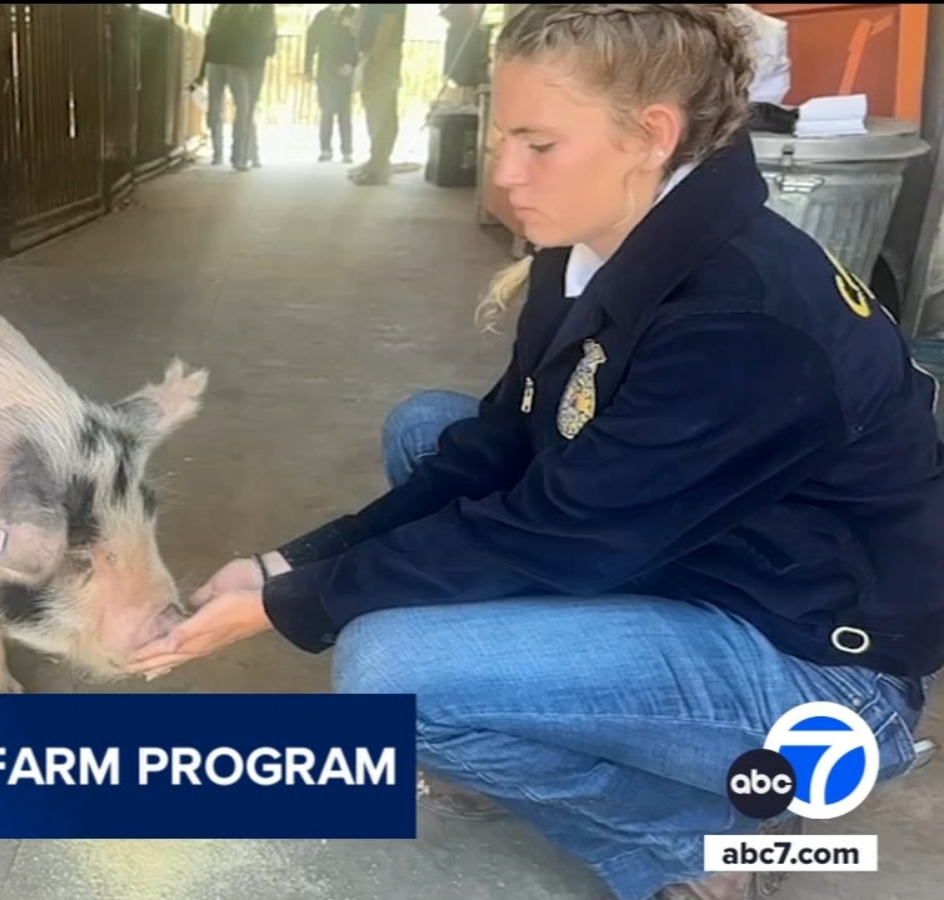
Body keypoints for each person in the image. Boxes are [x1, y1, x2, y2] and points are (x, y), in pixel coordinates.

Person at [130, 5, 944, 900]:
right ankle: (589, 729)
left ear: (651, 135)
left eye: (539, 144)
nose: (505, 171)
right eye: (503, 134)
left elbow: (556, 531)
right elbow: (500, 445)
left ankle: (701, 845)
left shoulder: (740, 318)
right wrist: (285, 563)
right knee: (428, 428)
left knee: (392, 679)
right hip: (706, 555)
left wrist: (294, 604)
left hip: (820, 667)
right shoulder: (597, 240)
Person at [191, 4, 278, 171]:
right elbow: (214, 37)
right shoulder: (228, 9)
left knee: (249, 109)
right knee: (239, 107)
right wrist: (203, 70)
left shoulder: (267, 7)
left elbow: (271, 30)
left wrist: (269, 49)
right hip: (233, 62)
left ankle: (249, 153)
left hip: (256, 63)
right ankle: (235, 155)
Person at [351, 4, 405, 185]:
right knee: (375, 109)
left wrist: (375, 56)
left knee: (380, 110)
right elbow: (356, 24)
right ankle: (376, 160)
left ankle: (378, 165)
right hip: (371, 54)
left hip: (382, 55)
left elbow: (388, 22)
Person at [306, 4, 360, 163]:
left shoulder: (354, 13)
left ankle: (347, 150)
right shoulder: (322, 16)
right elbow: (311, 42)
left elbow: (360, 41)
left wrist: (352, 64)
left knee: (345, 112)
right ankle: (325, 149)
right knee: (326, 111)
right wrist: (308, 68)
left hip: (345, 71)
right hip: (326, 71)